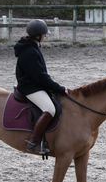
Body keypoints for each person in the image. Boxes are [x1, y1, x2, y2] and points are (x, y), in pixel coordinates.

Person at [14, 19, 68, 153]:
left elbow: (41, 76)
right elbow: (41, 77)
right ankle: (33, 142)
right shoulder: (29, 52)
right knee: (50, 109)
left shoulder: (31, 46)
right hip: (30, 87)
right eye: (44, 34)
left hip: (35, 84)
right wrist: (59, 88)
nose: (45, 36)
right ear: (37, 35)